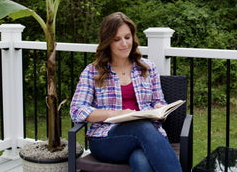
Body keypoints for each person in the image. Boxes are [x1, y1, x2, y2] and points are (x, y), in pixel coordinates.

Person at [70, 12, 182, 172]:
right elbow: (77, 110)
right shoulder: (92, 71)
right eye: (117, 39)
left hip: (146, 137)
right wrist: (116, 114)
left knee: (141, 161)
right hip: (106, 139)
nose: (124, 43)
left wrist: (159, 108)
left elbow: (159, 100)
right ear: (107, 42)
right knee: (141, 126)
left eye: (127, 37)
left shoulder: (148, 68)